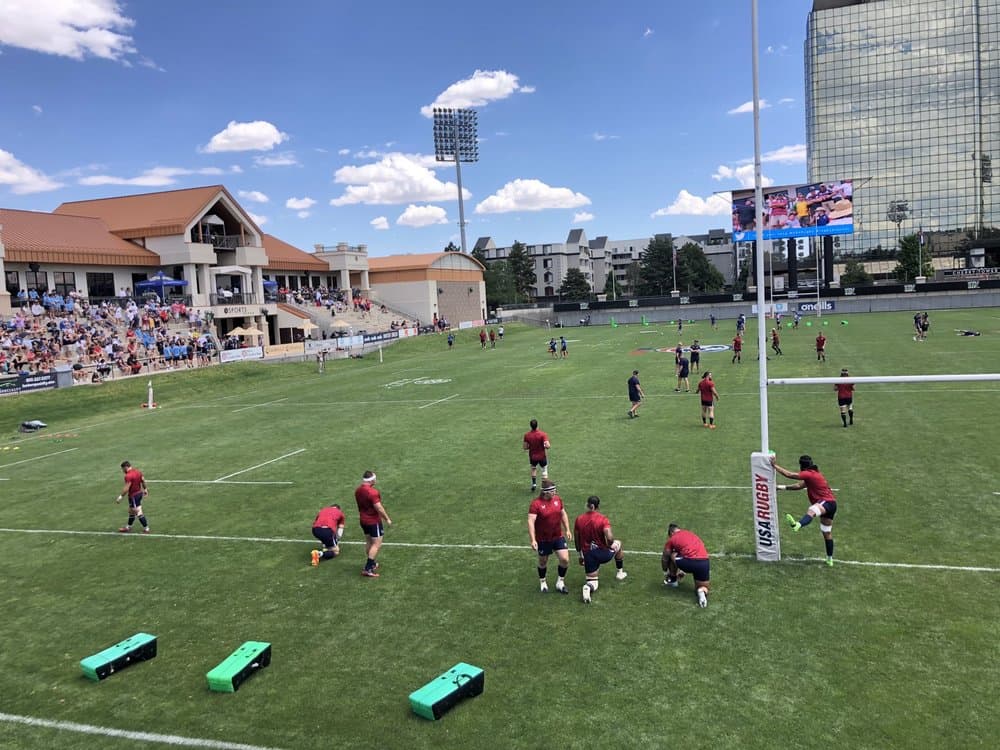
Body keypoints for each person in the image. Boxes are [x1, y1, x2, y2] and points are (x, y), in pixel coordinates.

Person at [771, 454, 838, 566]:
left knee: (812, 510)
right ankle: (829, 559)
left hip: (826, 502)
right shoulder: (814, 475)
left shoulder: (808, 474)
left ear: (802, 466)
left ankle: (798, 525)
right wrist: (780, 487)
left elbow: (789, 475)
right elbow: (798, 486)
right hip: (832, 505)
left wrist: (774, 465)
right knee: (826, 532)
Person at [573, 495, 626, 603]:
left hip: (588, 555)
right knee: (618, 544)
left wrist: (580, 555)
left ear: (588, 505)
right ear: (597, 506)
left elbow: (577, 540)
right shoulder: (602, 519)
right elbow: (609, 538)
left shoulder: (579, 519)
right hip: (603, 554)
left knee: (593, 582)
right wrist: (610, 544)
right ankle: (620, 573)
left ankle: (587, 587)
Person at [527, 479, 572, 594]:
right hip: (543, 539)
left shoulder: (557, 499)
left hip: (557, 536)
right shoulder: (536, 504)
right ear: (545, 492)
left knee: (565, 559)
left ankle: (560, 582)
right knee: (543, 561)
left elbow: (563, 513)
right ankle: (543, 582)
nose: (555, 492)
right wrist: (533, 540)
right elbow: (531, 521)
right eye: (552, 491)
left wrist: (567, 529)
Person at [662, 524, 710, 608]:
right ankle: (701, 593)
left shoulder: (672, 539)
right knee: (702, 587)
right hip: (704, 562)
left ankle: (672, 580)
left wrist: (665, 570)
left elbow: (665, 557)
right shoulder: (690, 534)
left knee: (672, 554)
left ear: (671, 532)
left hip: (689, 562)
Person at [355, 471, 392, 577]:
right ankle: (368, 568)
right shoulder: (372, 492)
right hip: (373, 521)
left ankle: (372, 564)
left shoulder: (358, 490)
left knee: (369, 541)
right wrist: (387, 518)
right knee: (376, 544)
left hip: (363, 520)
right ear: (372, 480)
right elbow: (379, 507)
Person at [116, 460, 150, 533]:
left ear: (126, 467)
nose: (123, 471)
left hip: (134, 496)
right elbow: (143, 481)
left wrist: (120, 497)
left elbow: (126, 488)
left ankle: (146, 528)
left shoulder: (128, 476)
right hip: (139, 494)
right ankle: (128, 527)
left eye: (123, 469)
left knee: (138, 512)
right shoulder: (138, 472)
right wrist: (145, 489)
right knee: (131, 511)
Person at [523, 419, 551, 491]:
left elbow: (525, 447)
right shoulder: (543, 434)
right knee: (544, 469)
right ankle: (545, 486)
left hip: (532, 456)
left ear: (530, 426)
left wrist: (531, 446)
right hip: (542, 456)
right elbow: (548, 446)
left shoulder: (527, 435)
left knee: (533, 468)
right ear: (537, 425)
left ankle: (534, 484)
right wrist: (544, 446)